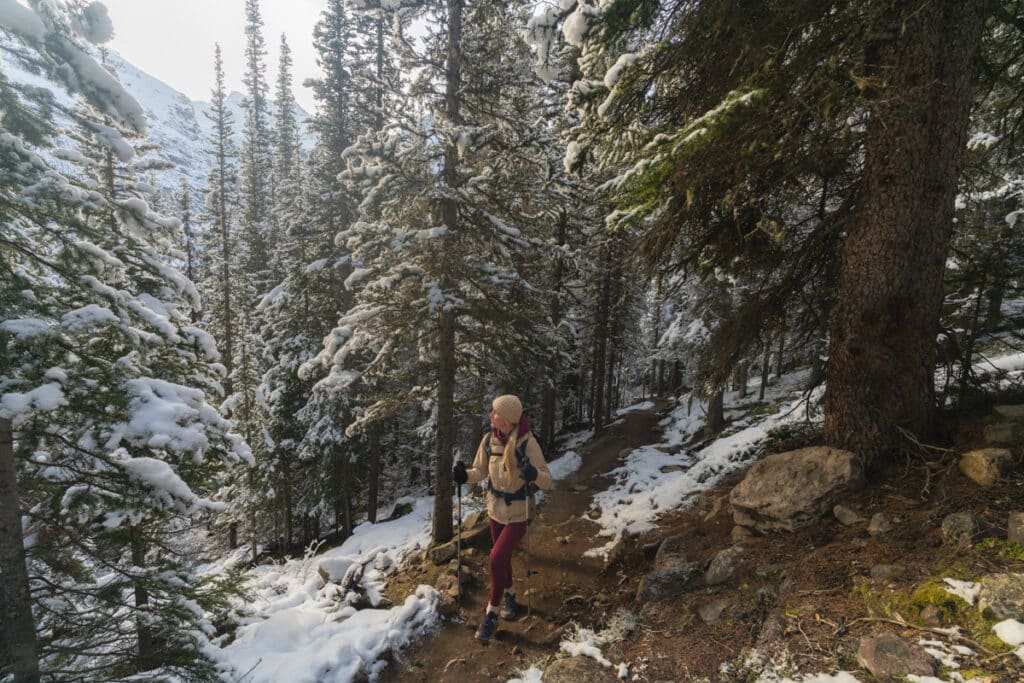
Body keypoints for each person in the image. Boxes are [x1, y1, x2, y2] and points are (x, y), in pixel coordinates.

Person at [452, 394, 552, 643]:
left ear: (506, 419)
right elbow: (479, 471)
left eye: (495, 412)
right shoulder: (489, 440)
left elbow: (548, 481)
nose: (490, 415)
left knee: (496, 558)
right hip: (495, 509)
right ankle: (509, 594)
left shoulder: (527, 444)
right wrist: (463, 475)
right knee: (502, 557)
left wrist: (532, 473)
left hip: (519, 512)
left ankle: (491, 614)